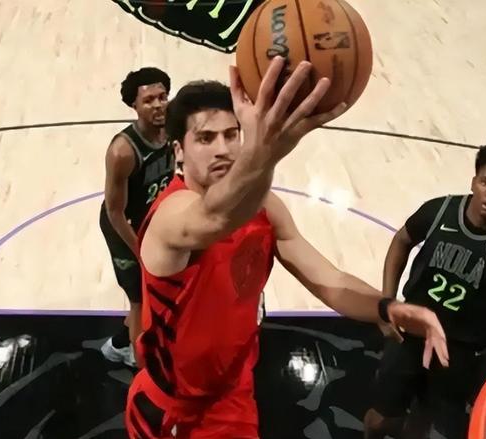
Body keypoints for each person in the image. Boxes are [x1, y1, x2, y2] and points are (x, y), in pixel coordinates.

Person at [124, 57, 450, 439]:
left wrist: (388, 307)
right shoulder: (170, 214)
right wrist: (267, 151)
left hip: (234, 391)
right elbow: (215, 217)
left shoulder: (265, 208)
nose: (223, 149)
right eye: (206, 138)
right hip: (174, 412)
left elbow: (328, 279)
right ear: (179, 151)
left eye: (232, 134)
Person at [364, 142, 486, 439]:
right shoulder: (440, 211)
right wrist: (387, 300)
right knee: (379, 421)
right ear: (474, 181)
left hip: (463, 350)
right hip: (411, 335)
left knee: (428, 422)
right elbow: (401, 241)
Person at [99, 67, 175, 367]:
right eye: (149, 100)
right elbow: (114, 211)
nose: (158, 105)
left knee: (154, 292)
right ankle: (142, 368)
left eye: (162, 97)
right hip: (124, 229)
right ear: (134, 105)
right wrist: (140, 251)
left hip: (151, 222)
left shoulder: (171, 130)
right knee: (140, 300)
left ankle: (118, 345)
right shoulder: (123, 152)